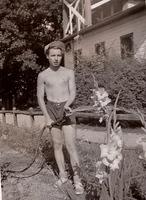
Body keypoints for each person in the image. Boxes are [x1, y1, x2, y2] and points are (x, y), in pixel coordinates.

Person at [37, 40, 84, 195]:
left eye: (59, 55)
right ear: (47, 57)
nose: (56, 58)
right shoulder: (43, 75)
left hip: (67, 109)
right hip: (51, 109)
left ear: (62, 56)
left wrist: (67, 105)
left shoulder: (68, 72)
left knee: (71, 146)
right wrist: (46, 117)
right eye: (53, 55)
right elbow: (40, 97)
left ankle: (77, 180)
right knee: (57, 145)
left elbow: (73, 92)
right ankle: (63, 176)